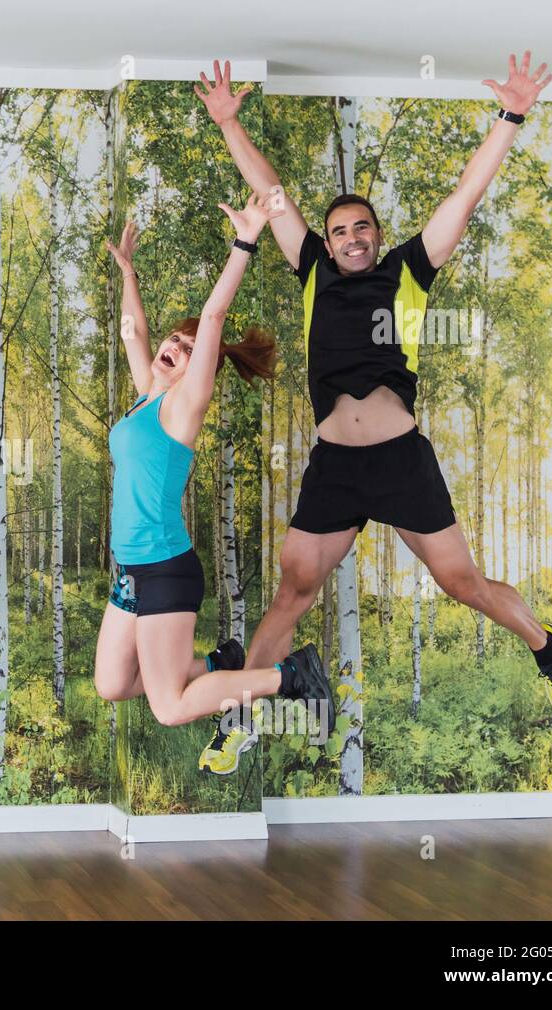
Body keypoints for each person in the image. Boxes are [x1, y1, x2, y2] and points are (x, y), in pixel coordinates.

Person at [192, 54, 552, 772]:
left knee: (462, 585)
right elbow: (271, 194)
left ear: (376, 233)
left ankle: (546, 647)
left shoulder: (409, 270)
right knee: (292, 591)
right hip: (336, 467)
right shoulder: (312, 270)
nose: (352, 238)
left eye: (362, 227)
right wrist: (228, 123)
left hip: (401, 462)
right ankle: (239, 717)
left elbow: (465, 195)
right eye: (340, 230)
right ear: (329, 240)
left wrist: (511, 116)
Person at [93, 197, 335, 765]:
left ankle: (289, 676)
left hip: (164, 568)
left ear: (197, 369)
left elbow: (213, 316)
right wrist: (128, 275)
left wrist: (245, 242)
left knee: (169, 706)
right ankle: (221, 664)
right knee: (112, 683)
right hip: (131, 569)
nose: (174, 348)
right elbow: (133, 332)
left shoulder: (182, 408)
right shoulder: (146, 397)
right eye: (173, 342)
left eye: (188, 349)